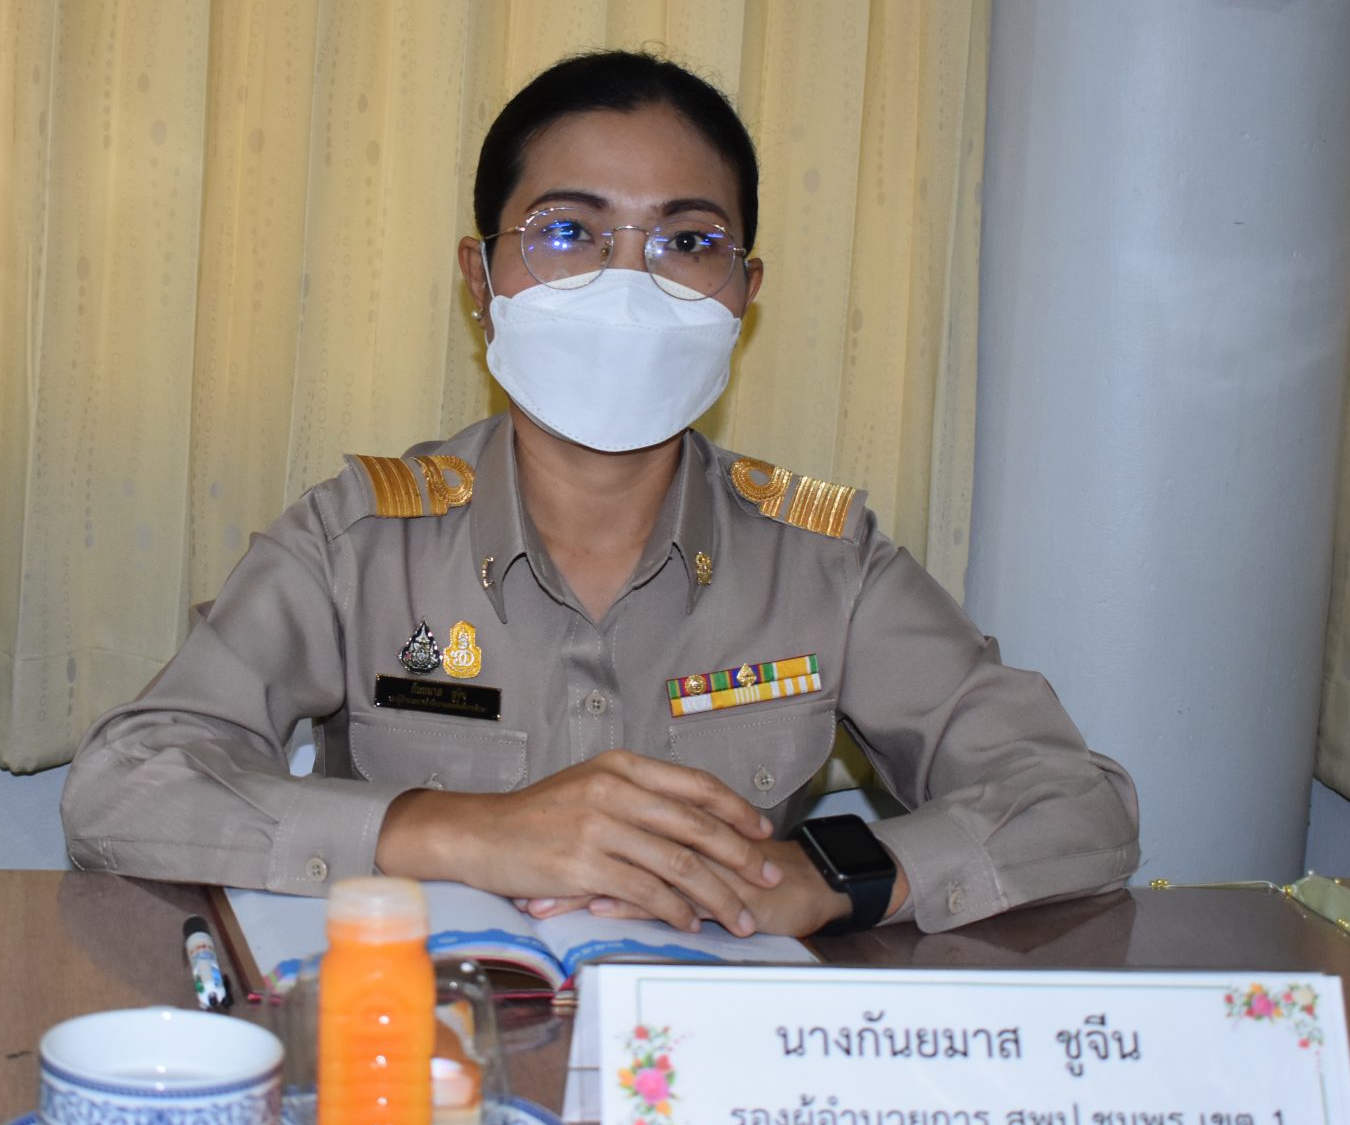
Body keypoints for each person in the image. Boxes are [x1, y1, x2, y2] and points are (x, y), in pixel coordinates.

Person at [62, 51, 1139, 936]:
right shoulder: (359, 543)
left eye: (687, 242)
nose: (628, 285)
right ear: (481, 280)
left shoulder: (823, 561)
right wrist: (458, 832)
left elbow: (1076, 801)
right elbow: (127, 784)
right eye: (569, 232)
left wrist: (831, 874)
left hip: (709, 1060)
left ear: (743, 293)